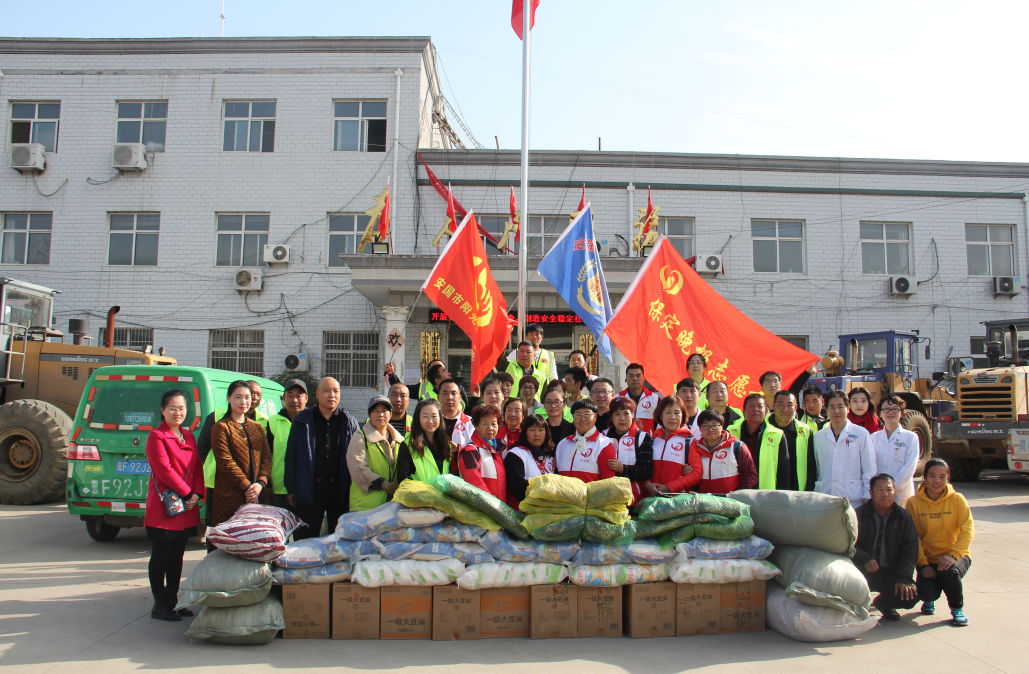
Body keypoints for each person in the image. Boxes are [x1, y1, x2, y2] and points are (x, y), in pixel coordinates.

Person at [144, 389, 204, 621]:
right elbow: (164, 470)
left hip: (186, 506)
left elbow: (197, 466)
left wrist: (197, 494)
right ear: (163, 410)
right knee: (161, 554)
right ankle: (159, 602)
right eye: (172, 408)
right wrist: (188, 492)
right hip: (165, 506)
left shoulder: (188, 436)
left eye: (181, 408)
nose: (177, 412)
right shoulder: (156, 436)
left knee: (177, 554)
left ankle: (172, 598)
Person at [284, 377, 359, 538]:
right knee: (304, 538)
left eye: (336, 391)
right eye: (327, 391)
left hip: (339, 490)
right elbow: (291, 456)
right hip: (309, 488)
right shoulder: (302, 420)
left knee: (339, 538)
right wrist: (291, 489)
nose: (332, 395)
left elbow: (358, 457)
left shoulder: (349, 422)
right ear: (317, 394)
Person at [906, 458, 975, 626]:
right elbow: (912, 537)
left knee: (948, 572)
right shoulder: (913, 503)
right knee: (926, 592)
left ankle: (957, 609)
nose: (937, 481)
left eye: (942, 476)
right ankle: (929, 600)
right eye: (932, 476)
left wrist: (953, 555)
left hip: (956, 557)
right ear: (924, 477)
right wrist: (923, 564)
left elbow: (968, 530)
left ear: (948, 479)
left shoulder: (958, 499)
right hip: (929, 560)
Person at [854, 474, 920, 621]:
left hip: (891, 572)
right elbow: (846, 544)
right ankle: (854, 608)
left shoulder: (904, 518)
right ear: (870, 493)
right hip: (863, 570)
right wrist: (863, 558)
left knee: (911, 595)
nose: (885, 494)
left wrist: (904, 577)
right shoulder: (858, 515)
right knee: (846, 586)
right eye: (880, 490)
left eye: (889, 490)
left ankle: (884, 603)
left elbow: (910, 551)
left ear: (895, 492)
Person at [211, 381, 273, 527]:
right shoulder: (221, 427)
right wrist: (247, 487)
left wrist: (260, 484)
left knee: (256, 539)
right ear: (228, 398)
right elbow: (225, 462)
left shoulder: (257, 427)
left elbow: (266, 457)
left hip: (258, 492)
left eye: (247, 397)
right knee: (229, 540)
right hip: (230, 496)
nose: (243, 402)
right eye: (238, 397)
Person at [814, 390, 877, 508]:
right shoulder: (819, 437)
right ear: (826, 410)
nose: (836, 411)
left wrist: (867, 494)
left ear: (848, 408)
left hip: (853, 498)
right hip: (825, 496)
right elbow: (817, 469)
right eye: (832, 407)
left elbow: (869, 467)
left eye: (840, 406)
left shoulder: (861, 434)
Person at [347, 395, 404, 511]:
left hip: (393, 506)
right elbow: (358, 468)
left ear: (390, 414)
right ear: (369, 415)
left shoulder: (399, 440)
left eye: (384, 411)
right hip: (365, 507)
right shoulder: (360, 437)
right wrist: (386, 486)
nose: (380, 414)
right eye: (375, 411)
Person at [727, 394, 790, 488]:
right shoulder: (730, 432)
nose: (755, 409)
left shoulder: (777, 434)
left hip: (765, 492)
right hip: (737, 488)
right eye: (751, 406)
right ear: (743, 411)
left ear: (766, 411)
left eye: (760, 406)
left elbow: (783, 470)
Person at [691, 409, 757, 494]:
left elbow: (751, 475)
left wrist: (736, 495)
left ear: (722, 426)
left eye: (715, 425)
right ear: (700, 428)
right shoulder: (695, 448)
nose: (710, 429)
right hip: (703, 503)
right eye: (706, 426)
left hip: (730, 503)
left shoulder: (737, 446)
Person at [647, 395, 702, 496]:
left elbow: (696, 474)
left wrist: (669, 488)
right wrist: (647, 484)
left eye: (677, 413)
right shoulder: (651, 440)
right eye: (668, 412)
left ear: (683, 416)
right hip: (651, 498)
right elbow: (642, 467)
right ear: (660, 416)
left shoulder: (690, 441)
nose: (672, 417)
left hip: (678, 501)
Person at [265, 379, 308, 508]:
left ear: (306, 398)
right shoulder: (272, 422)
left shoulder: (313, 422)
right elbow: (266, 456)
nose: (294, 400)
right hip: (279, 490)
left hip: (307, 488)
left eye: (298, 395)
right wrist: (268, 485)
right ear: (283, 398)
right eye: (290, 395)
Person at [871, 394, 920, 506]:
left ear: (901, 413)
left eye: (895, 409)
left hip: (902, 495)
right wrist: (879, 489)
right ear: (880, 413)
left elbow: (910, 466)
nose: (890, 412)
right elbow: (869, 465)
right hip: (879, 496)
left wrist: (891, 488)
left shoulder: (910, 437)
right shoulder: (873, 437)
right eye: (886, 409)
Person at [602, 397, 653, 505]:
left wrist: (622, 469)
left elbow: (646, 471)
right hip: (607, 497)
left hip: (634, 499)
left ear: (633, 415)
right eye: (617, 414)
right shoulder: (603, 436)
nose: (622, 418)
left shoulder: (642, 437)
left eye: (626, 413)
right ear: (611, 416)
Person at [764, 391, 818, 491]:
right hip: (768, 492)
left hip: (797, 492)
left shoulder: (805, 431)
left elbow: (811, 467)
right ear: (773, 405)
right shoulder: (762, 429)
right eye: (781, 404)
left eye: (790, 405)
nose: (785, 409)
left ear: (796, 407)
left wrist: (808, 492)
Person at [555, 399, 617, 483]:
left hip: (592, 496)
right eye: (578, 415)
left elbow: (608, 483)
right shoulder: (563, 444)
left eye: (587, 414)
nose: (583, 419)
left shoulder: (604, 444)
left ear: (595, 417)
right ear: (573, 417)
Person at [397, 399, 457, 482]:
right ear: (418, 419)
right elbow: (403, 479)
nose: (430, 421)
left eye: (434, 416)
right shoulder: (408, 445)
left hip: (443, 495)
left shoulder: (447, 445)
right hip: (420, 494)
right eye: (425, 416)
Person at [457, 404, 507, 500]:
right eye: (485, 424)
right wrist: (493, 505)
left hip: (498, 509)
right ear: (476, 425)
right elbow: (474, 481)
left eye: (494, 424)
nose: (490, 428)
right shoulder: (470, 451)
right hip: (484, 510)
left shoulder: (498, 450)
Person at [504, 414, 555, 507]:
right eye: (532, 430)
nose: (537, 434)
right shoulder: (516, 454)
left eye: (541, 430)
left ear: (546, 433)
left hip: (547, 511)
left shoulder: (550, 458)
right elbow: (517, 486)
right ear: (525, 433)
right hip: (522, 511)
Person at [616, 363, 662, 433]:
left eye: (638, 375)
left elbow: (661, 422)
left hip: (648, 441)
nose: (635, 379)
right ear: (626, 377)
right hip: (624, 441)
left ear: (643, 377)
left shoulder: (654, 398)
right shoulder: (617, 398)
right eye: (631, 376)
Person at [438, 379, 475, 447]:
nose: (449, 397)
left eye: (453, 393)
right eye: (445, 393)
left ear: (460, 398)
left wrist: (458, 449)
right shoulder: (432, 421)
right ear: (438, 397)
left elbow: (475, 449)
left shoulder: (471, 423)